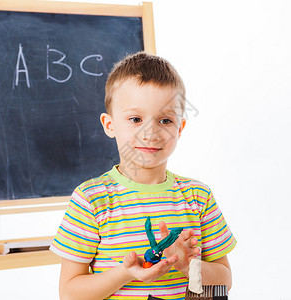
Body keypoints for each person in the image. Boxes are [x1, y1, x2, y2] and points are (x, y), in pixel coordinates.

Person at [50, 52, 237, 300]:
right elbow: (70, 293)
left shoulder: (198, 197)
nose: (151, 133)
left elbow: (225, 279)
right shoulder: (91, 200)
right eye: (136, 119)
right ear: (110, 125)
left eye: (165, 120)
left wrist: (187, 265)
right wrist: (126, 273)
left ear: (179, 128)